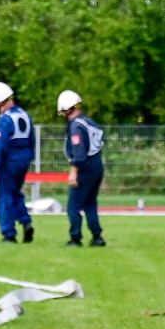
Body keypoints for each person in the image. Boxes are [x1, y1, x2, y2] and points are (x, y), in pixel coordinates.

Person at [0, 82, 35, 244]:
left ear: (0, 102)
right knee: (16, 193)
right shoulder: (24, 115)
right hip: (24, 161)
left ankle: (9, 234)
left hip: (8, 162)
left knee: (4, 196)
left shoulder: (5, 120)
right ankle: (25, 221)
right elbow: (32, 140)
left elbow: (0, 145)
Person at [58, 90, 107, 247]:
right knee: (90, 203)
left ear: (67, 108)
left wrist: (74, 171)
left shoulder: (76, 126)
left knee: (74, 205)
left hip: (85, 166)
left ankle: (75, 237)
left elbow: (79, 152)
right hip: (97, 163)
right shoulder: (89, 122)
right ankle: (97, 236)